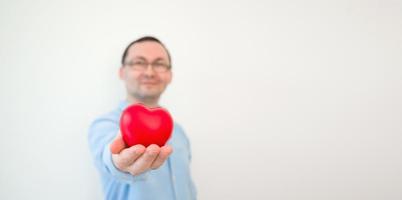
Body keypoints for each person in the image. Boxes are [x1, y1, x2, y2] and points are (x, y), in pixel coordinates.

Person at [88, 36, 197, 200]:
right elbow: (108, 157)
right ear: (122, 72)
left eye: (159, 64)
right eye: (139, 62)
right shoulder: (104, 125)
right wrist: (118, 162)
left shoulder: (179, 132)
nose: (149, 72)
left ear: (170, 75)